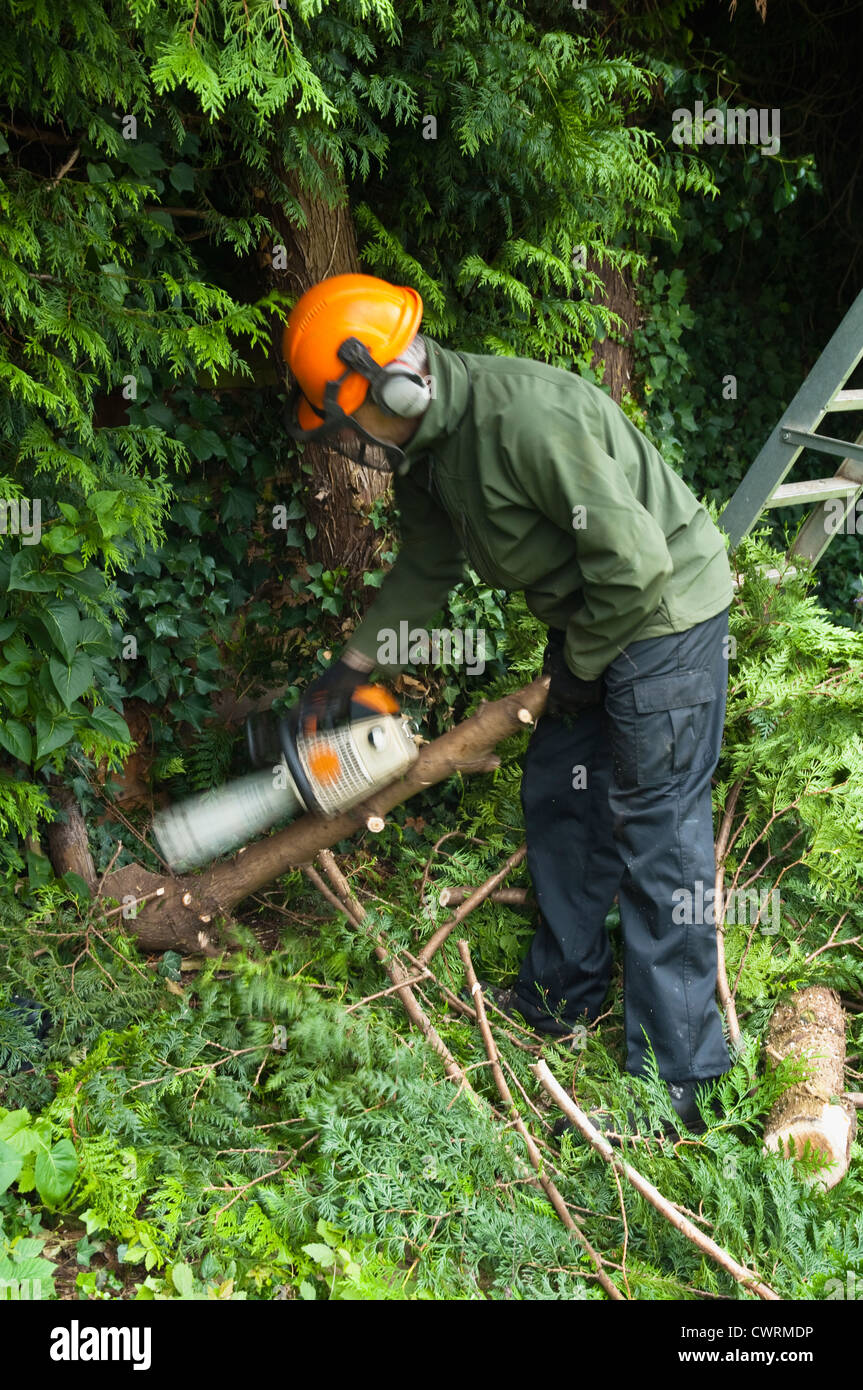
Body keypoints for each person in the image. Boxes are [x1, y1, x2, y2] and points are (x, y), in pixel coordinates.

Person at [260, 272, 735, 1134]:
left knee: (655, 828)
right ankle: (561, 996)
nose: (353, 443)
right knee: (559, 793)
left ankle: (679, 1085)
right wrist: (351, 670)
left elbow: (635, 566)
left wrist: (581, 671)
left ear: (396, 384)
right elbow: (425, 569)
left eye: (349, 421)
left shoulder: (524, 419)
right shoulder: (430, 458)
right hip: (595, 622)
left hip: (662, 619)